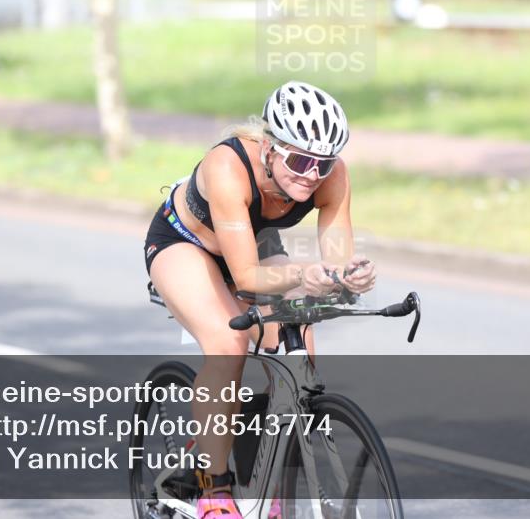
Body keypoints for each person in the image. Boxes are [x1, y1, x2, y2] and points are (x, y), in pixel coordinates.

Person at [143, 81, 376, 519]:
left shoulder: (331, 175)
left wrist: (348, 276)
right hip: (185, 242)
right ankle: (213, 489)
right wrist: (304, 274)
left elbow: (336, 259)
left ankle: (272, 488)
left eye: (323, 164)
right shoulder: (228, 166)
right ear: (270, 146)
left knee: (297, 348)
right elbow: (248, 277)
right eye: (300, 160)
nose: (312, 173)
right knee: (229, 342)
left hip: (254, 243)